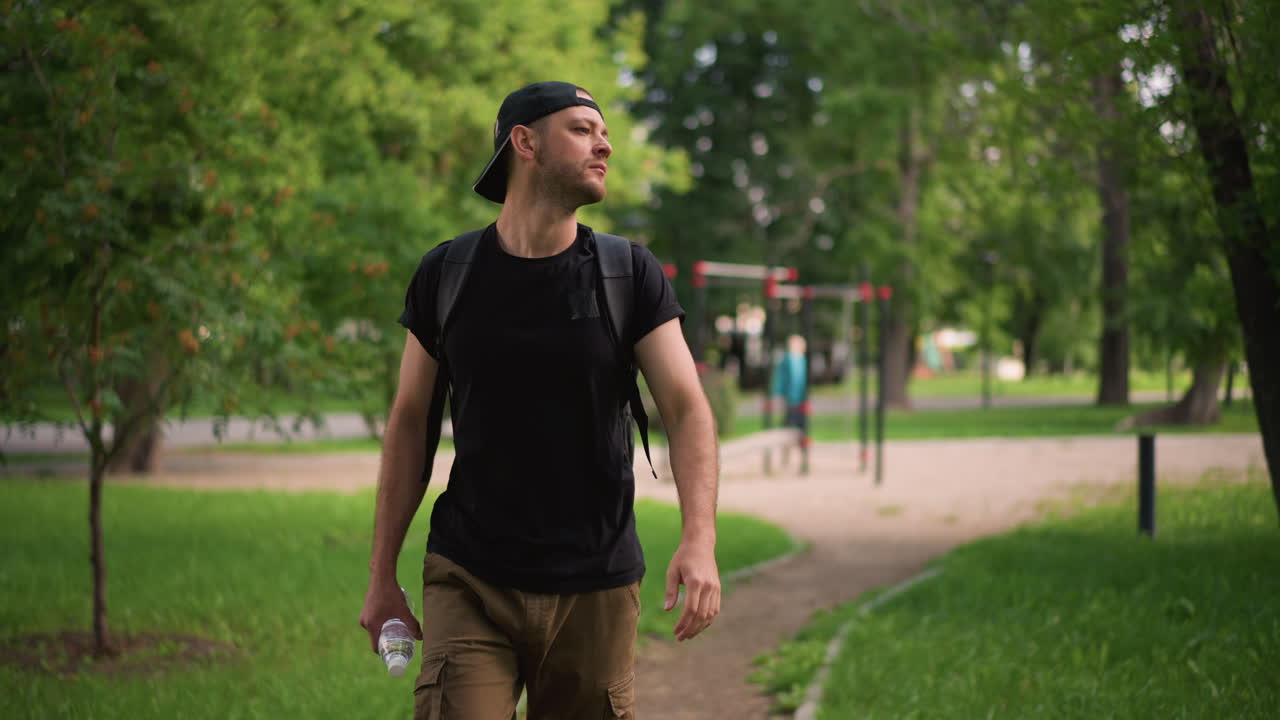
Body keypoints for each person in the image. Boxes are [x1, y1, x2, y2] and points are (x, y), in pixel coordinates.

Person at [358, 81, 721, 719]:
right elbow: (410, 422)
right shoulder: (447, 273)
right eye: (582, 128)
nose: (604, 144)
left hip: (596, 584)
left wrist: (700, 538)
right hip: (470, 572)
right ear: (523, 142)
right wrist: (381, 575)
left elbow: (687, 409)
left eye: (602, 131)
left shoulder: (628, 274)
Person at [771, 334, 807, 465]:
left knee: (802, 429)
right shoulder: (787, 360)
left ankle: (803, 457)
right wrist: (778, 395)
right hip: (790, 400)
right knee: (788, 427)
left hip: (801, 400)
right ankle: (786, 456)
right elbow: (780, 379)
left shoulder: (802, 360)